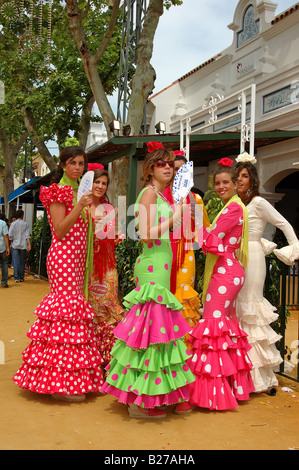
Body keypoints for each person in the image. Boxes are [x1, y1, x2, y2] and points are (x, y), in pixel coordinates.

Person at [100, 141, 195, 419]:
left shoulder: (162, 196)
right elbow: (144, 234)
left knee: (156, 332)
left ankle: (146, 396)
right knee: (147, 333)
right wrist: (174, 217)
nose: (168, 168)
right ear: (150, 169)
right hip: (152, 266)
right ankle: (138, 402)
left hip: (161, 266)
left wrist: (177, 210)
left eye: (170, 164)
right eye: (161, 163)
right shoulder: (149, 194)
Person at [13, 146, 104, 401]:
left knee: (72, 317)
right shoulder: (59, 191)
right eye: (73, 163)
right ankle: (59, 382)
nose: (77, 167)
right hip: (63, 259)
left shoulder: (78, 192)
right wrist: (81, 206)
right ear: (63, 165)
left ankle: (70, 378)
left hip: (77, 260)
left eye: (81, 163)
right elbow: (61, 231)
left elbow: (78, 228)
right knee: (64, 315)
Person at [177, 158, 254, 413]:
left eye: (226, 182)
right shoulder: (231, 207)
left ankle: (212, 394)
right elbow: (214, 235)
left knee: (212, 329)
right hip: (229, 270)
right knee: (226, 328)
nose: (221, 186)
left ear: (235, 185)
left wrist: (195, 222)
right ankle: (232, 388)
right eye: (217, 183)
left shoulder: (232, 209)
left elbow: (211, 241)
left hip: (225, 271)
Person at [235, 155, 299, 393]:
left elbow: (283, 223)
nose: (240, 180)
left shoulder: (259, 202)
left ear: (252, 180)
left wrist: (295, 248)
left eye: (245, 176)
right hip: (235, 257)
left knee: (250, 309)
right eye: (238, 176)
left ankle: (256, 377)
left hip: (252, 256)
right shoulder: (235, 202)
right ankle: (239, 374)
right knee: (238, 310)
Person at [164, 151, 210, 349]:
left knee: (182, 295)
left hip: (186, 255)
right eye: (174, 169)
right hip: (163, 253)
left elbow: (204, 231)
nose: (177, 174)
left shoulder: (196, 200)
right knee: (163, 298)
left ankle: (182, 348)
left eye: (182, 170)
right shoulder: (160, 196)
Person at [87, 162, 126, 369]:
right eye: (97, 181)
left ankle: (108, 362)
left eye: (104, 183)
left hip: (107, 267)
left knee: (108, 308)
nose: (100, 186)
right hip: (85, 267)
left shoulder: (109, 208)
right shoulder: (81, 206)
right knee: (90, 310)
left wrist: (116, 235)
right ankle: (89, 361)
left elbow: (111, 237)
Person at [8, 210, 31, 283]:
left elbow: (10, 235)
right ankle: (21, 277)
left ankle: (16, 277)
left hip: (15, 244)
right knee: (22, 261)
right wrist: (29, 244)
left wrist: (11, 241)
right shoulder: (25, 224)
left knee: (16, 260)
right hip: (23, 244)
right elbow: (27, 235)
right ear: (22, 215)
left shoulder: (13, 224)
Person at [0, 214, 10, 288]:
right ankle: (4, 282)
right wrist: (8, 247)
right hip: (2, 246)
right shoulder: (3, 223)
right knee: (4, 263)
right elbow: (5, 236)